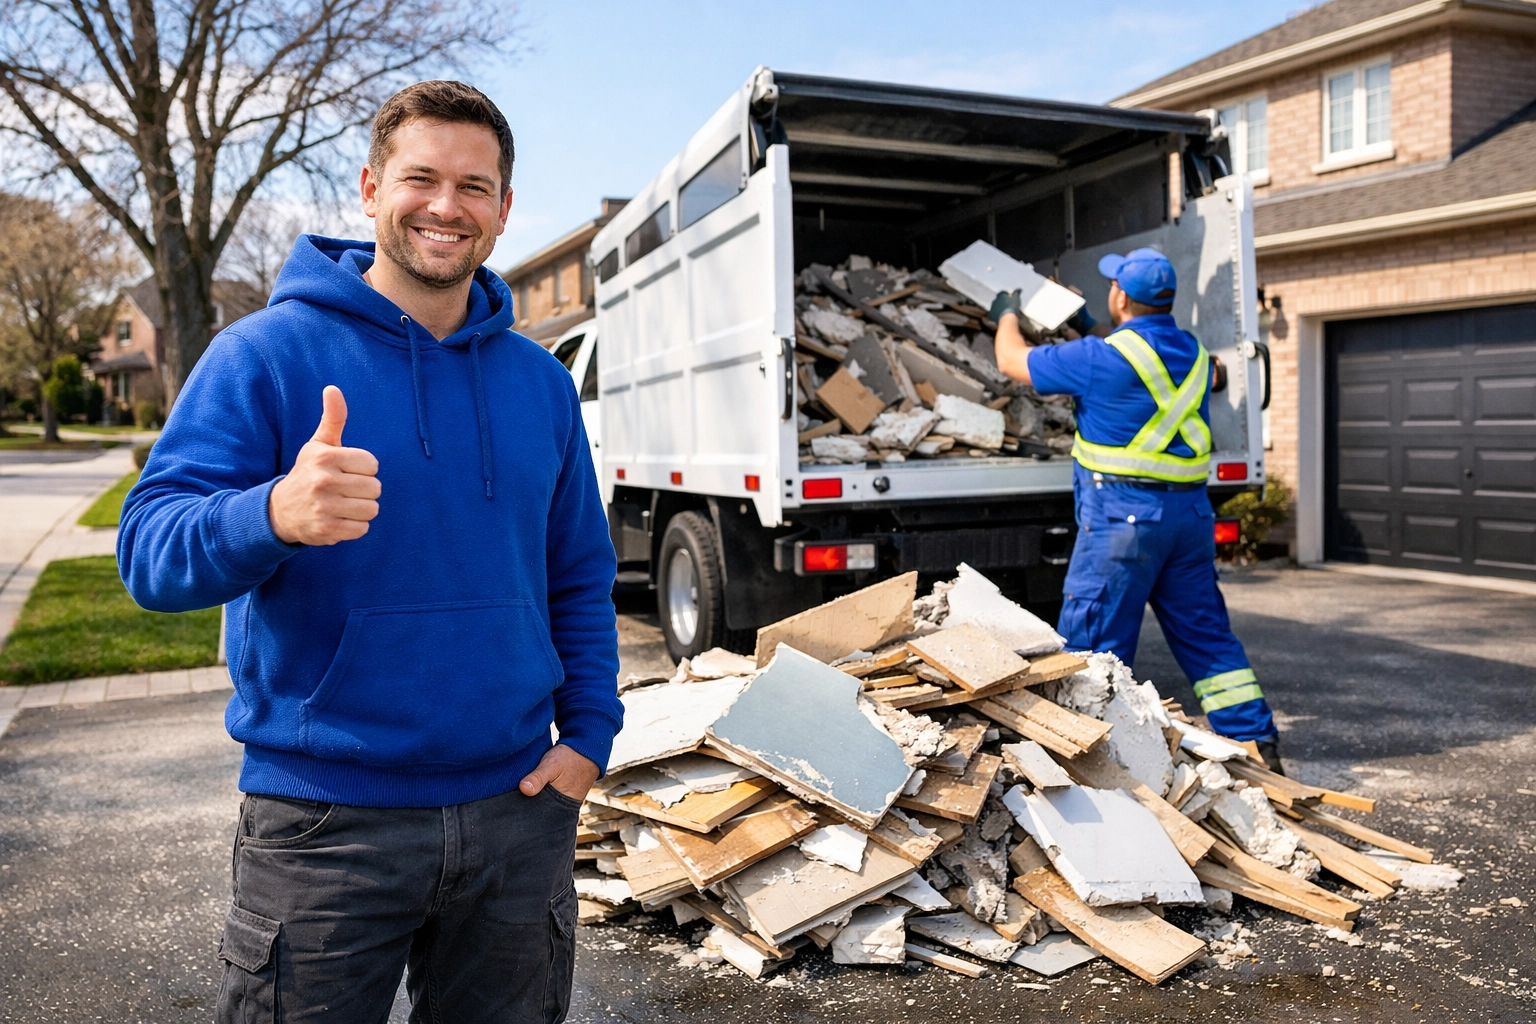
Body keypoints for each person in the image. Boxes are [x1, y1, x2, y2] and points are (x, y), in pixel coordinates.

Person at [118, 80, 621, 1022]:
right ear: (368, 187)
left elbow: (579, 575)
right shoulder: (263, 356)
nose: (445, 206)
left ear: (505, 210)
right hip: (324, 828)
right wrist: (270, 513)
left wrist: (588, 736)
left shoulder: (542, 384)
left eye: (475, 187)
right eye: (420, 178)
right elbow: (148, 553)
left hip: (517, 814)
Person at [990, 247, 1283, 773]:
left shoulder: (1098, 358)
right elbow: (1172, 364)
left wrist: (1007, 311)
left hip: (1121, 523)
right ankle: (1259, 749)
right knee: (1207, 639)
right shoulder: (1195, 355)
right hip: (1189, 521)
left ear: (1121, 295)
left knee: (1094, 649)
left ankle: (1082, 762)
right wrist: (1086, 322)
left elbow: (1011, 362)